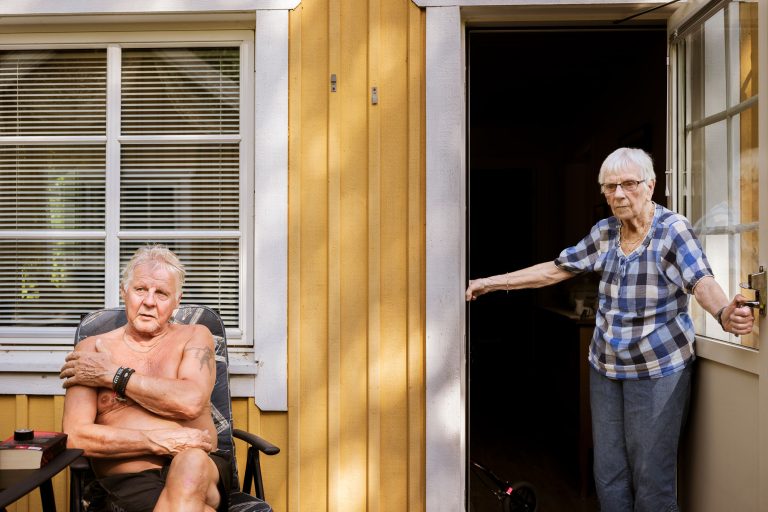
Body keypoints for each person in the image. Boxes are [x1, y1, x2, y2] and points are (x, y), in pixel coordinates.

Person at [465, 147, 755, 512]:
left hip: (658, 371)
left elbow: (701, 280)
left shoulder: (672, 230)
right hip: (606, 368)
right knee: (609, 475)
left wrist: (724, 313)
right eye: (609, 187)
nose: (618, 194)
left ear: (650, 186)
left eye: (628, 184)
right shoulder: (605, 232)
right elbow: (556, 268)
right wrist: (488, 283)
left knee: (652, 480)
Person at [60, 245, 231, 512]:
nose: (149, 301)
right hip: (128, 481)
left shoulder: (195, 336)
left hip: (202, 469)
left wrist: (114, 375)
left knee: (191, 464)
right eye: (140, 289)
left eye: (161, 293)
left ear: (177, 301)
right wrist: (158, 439)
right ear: (123, 292)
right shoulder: (90, 351)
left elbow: (191, 402)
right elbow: (76, 437)